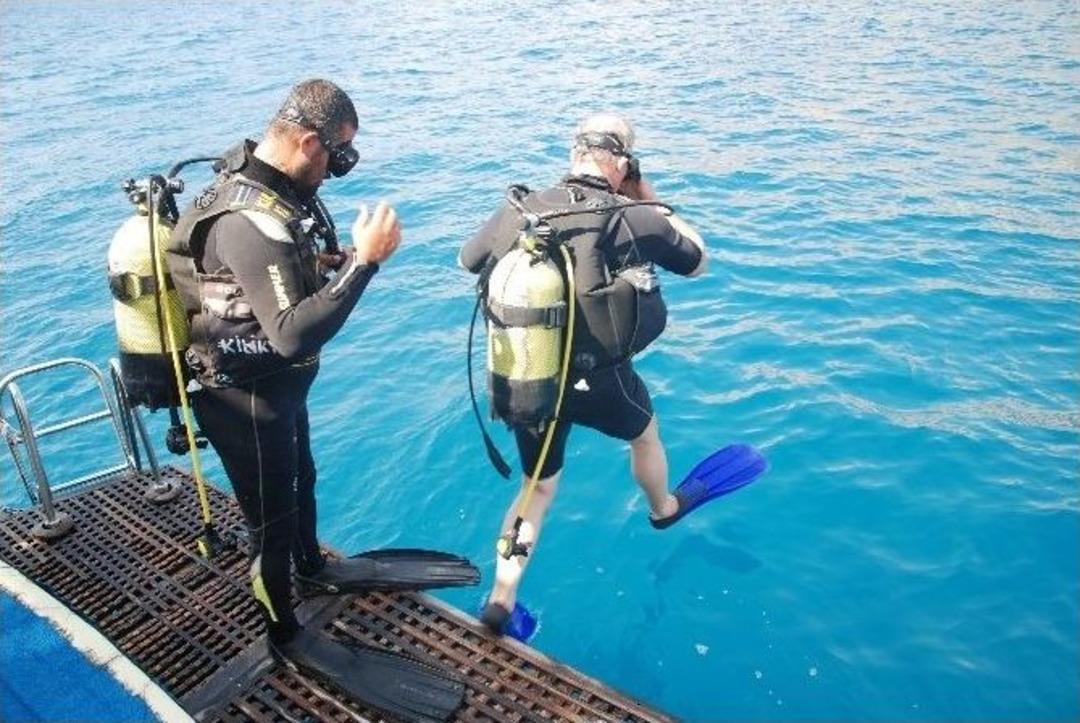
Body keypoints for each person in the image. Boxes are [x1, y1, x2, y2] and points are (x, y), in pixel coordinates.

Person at [166, 79, 470, 720]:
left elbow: (268, 289)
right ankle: (286, 633)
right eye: (339, 155)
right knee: (270, 521)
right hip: (243, 399)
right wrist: (365, 263)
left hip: (276, 391)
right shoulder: (249, 221)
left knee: (302, 477)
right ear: (307, 141)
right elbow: (291, 331)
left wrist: (327, 263)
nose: (337, 170)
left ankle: (312, 567)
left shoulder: (273, 192)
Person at [460, 112, 754, 636]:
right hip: (599, 380)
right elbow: (699, 260)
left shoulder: (521, 207)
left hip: (528, 373)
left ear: (574, 153)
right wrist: (649, 195)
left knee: (537, 488)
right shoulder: (630, 214)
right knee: (645, 435)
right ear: (622, 161)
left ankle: (502, 599)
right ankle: (664, 508)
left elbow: (467, 259)